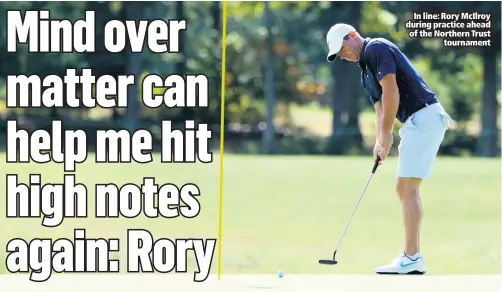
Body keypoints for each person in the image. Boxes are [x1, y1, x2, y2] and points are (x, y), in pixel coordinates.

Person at [325, 23, 453, 275]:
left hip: (424, 117)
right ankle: (412, 257)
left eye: (342, 48)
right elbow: (380, 109)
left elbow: (391, 91)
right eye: (338, 54)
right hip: (416, 121)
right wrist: (380, 142)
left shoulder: (376, 48)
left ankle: (412, 257)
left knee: (406, 187)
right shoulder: (365, 73)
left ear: (352, 36)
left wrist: (386, 134)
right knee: (405, 187)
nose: (343, 55)